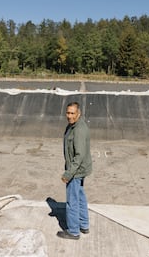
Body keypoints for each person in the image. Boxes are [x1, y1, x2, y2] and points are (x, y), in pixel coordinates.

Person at [57, 101, 92, 240]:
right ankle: (84, 225)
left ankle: (73, 231)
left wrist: (68, 174)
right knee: (80, 196)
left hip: (76, 170)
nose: (69, 116)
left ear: (79, 113)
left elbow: (79, 155)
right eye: (68, 113)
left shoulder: (79, 130)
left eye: (72, 113)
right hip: (80, 169)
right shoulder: (74, 125)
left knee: (72, 201)